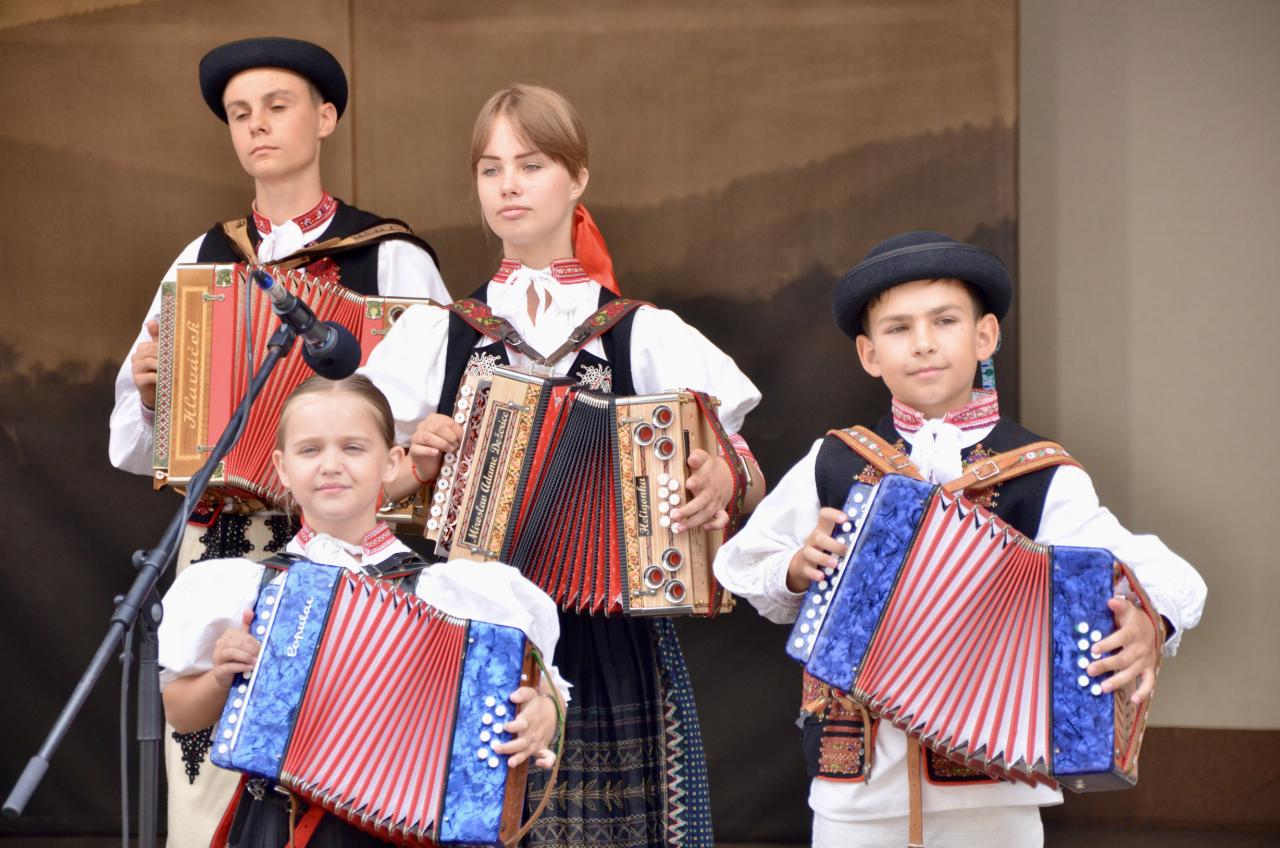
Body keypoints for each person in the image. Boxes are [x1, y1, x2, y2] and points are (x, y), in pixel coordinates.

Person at [360, 84, 765, 847]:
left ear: (578, 177)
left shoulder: (641, 333)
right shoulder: (438, 334)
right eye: (490, 169)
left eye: (532, 164)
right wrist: (411, 466)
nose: (508, 185)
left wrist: (724, 479)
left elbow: (741, 461)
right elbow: (351, 483)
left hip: (610, 639)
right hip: (469, 625)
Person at [713, 230, 1207, 848]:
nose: (923, 342)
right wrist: (795, 567)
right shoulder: (834, 461)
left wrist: (1149, 622)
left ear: (985, 336)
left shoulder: (1039, 473)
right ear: (869, 354)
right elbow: (742, 562)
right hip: (854, 790)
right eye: (898, 328)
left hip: (995, 795)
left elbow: (1163, 574)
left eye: (945, 321)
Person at [106, 37, 450, 847]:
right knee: (209, 772)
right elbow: (129, 442)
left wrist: (405, 468)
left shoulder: (391, 258)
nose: (257, 125)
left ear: (325, 118)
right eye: (239, 114)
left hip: (358, 547)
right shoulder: (201, 260)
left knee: (349, 763)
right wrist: (154, 396)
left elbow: (443, 419)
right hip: (224, 538)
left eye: (277, 106)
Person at [159, 374, 566, 847]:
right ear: (282, 468)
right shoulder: (246, 587)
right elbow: (180, 713)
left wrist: (545, 715)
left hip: (404, 829)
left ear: (392, 462)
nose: (331, 465)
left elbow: (545, 689)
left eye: (353, 448)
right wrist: (219, 678)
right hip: (278, 822)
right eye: (310, 450)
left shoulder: (450, 593)